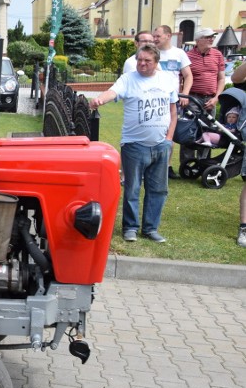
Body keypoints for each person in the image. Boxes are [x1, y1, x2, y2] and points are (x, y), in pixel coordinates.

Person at [89, 44, 177, 244]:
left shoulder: (168, 80)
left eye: (147, 61)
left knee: (158, 189)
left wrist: (169, 139)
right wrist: (100, 100)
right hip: (134, 145)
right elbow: (112, 92)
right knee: (132, 188)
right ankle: (130, 228)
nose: (142, 64)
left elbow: (173, 112)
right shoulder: (128, 79)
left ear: (156, 63)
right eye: (140, 60)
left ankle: (150, 228)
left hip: (161, 145)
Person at [152, 24, 193, 178]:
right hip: (154, 99)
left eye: (158, 36)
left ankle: (167, 166)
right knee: (154, 130)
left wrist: (184, 94)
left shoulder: (179, 53)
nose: (155, 39)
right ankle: (152, 164)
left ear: (168, 36)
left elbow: (188, 75)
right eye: (154, 36)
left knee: (170, 133)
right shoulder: (152, 52)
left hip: (172, 100)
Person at [184, 28, 226, 173]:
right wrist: (183, 96)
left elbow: (221, 78)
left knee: (208, 132)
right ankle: (188, 164)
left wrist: (216, 98)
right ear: (198, 39)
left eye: (212, 37)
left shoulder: (218, 55)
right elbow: (181, 77)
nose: (211, 39)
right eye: (208, 37)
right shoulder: (187, 56)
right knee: (189, 131)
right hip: (193, 98)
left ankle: (204, 164)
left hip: (211, 98)